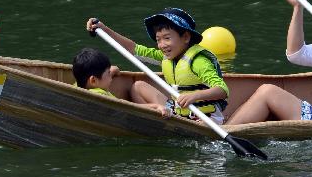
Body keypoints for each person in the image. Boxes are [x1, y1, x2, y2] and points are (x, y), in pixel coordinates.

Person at [86, 8, 229, 124]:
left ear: (185, 37)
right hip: (179, 112)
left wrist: (195, 96)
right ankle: (153, 122)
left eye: (167, 38)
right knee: (138, 86)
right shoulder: (166, 57)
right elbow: (134, 49)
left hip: (205, 119)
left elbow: (222, 90)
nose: (162, 45)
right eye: (158, 40)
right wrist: (104, 29)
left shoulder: (198, 61)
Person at [72, 47, 172, 117]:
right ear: (93, 80)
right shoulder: (100, 96)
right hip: (131, 119)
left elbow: (98, 81)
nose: (110, 77)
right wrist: (156, 106)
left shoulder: (78, 86)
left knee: (139, 85)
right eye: (108, 74)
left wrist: (110, 72)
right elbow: (130, 107)